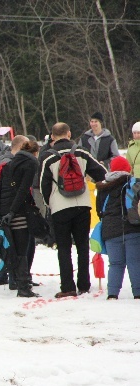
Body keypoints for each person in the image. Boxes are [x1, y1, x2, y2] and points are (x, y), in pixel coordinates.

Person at [40, 122, 107, 298]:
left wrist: (51, 203)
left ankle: (68, 286)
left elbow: (43, 186)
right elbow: (102, 173)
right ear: (69, 134)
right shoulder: (81, 153)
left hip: (60, 207)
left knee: (63, 247)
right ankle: (84, 284)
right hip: (83, 204)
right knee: (83, 245)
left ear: (52, 137)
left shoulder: (48, 158)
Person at [0, 137, 41, 297]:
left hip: (4, 209)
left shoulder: (9, 163)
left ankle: (20, 282)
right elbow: (22, 191)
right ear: (34, 153)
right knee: (22, 248)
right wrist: (13, 212)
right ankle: (23, 286)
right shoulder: (31, 164)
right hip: (17, 211)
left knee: (14, 248)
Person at [95, 156, 140, 300]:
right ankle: (138, 293)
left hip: (110, 230)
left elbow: (99, 211)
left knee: (115, 263)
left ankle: (112, 294)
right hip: (132, 228)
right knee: (135, 262)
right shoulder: (133, 183)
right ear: (128, 168)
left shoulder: (103, 187)